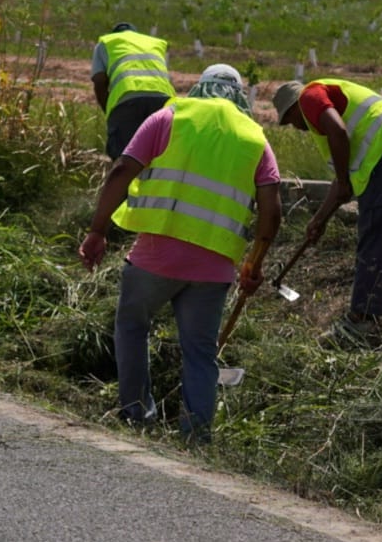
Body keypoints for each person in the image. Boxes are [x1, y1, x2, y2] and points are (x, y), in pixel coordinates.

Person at [79, 64, 281, 445]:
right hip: (214, 267)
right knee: (200, 352)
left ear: (200, 88)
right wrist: (255, 261)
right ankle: (196, 435)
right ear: (239, 97)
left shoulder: (169, 116)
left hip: (157, 255)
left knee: (133, 326)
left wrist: (97, 230)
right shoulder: (254, 138)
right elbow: (272, 210)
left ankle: (137, 414)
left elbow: (122, 169)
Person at [273, 77, 382, 347]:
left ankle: (361, 322)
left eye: (291, 120)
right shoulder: (328, 112)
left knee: (373, 239)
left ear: (293, 107)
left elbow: (338, 132)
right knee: (380, 240)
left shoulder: (310, 97)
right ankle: (373, 319)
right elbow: (342, 184)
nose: (296, 128)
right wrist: (319, 220)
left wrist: (344, 182)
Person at [90, 22, 175, 159]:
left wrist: (109, 111)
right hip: (165, 103)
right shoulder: (154, 43)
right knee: (161, 157)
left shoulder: (107, 42)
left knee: (125, 158)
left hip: (127, 100)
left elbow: (99, 81)